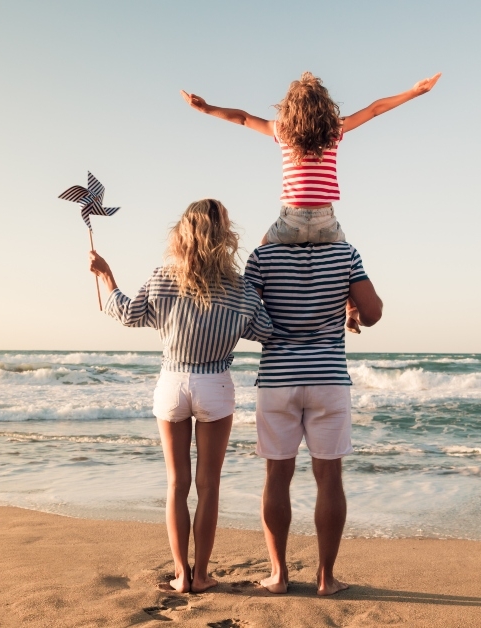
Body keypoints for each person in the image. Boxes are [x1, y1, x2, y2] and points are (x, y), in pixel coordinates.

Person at [88, 199, 272, 594]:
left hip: (172, 384)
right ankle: (203, 575)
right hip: (216, 385)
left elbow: (130, 315)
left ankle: (180, 575)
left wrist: (106, 276)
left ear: (183, 233)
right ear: (224, 236)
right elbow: (266, 330)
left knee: (177, 483)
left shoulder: (163, 278)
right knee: (209, 485)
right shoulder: (239, 288)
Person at [180, 71, 435, 334]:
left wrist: (207, 109)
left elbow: (243, 118)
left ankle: (249, 315)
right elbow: (374, 110)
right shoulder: (334, 129)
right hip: (326, 221)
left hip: (290, 220)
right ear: (325, 107)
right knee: (347, 266)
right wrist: (413, 92)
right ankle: (351, 310)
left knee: (261, 255)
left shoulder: (281, 130)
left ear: (289, 108)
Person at [242, 238, 383, 596]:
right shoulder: (345, 253)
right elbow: (374, 312)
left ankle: (278, 575)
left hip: (277, 380)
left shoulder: (263, 255)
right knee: (329, 476)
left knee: (276, 475)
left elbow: (245, 313)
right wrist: (350, 308)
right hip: (327, 378)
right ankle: (326, 578)